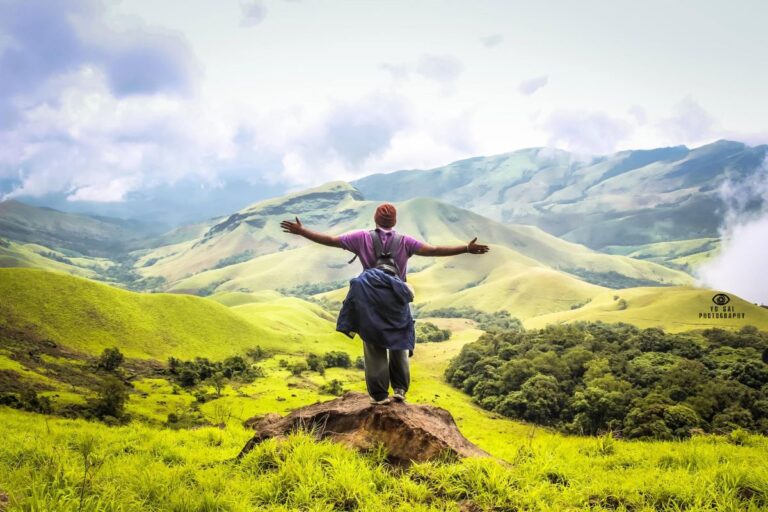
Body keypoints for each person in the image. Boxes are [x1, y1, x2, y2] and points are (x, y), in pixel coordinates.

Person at [280, 203, 489, 405]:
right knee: (399, 340)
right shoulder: (406, 241)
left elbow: (330, 240)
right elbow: (434, 250)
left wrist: (303, 231)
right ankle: (399, 390)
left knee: (373, 344)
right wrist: (465, 248)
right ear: (395, 221)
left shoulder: (361, 238)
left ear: (375, 219)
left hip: (369, 299)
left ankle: (379, 395)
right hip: (397, 299)